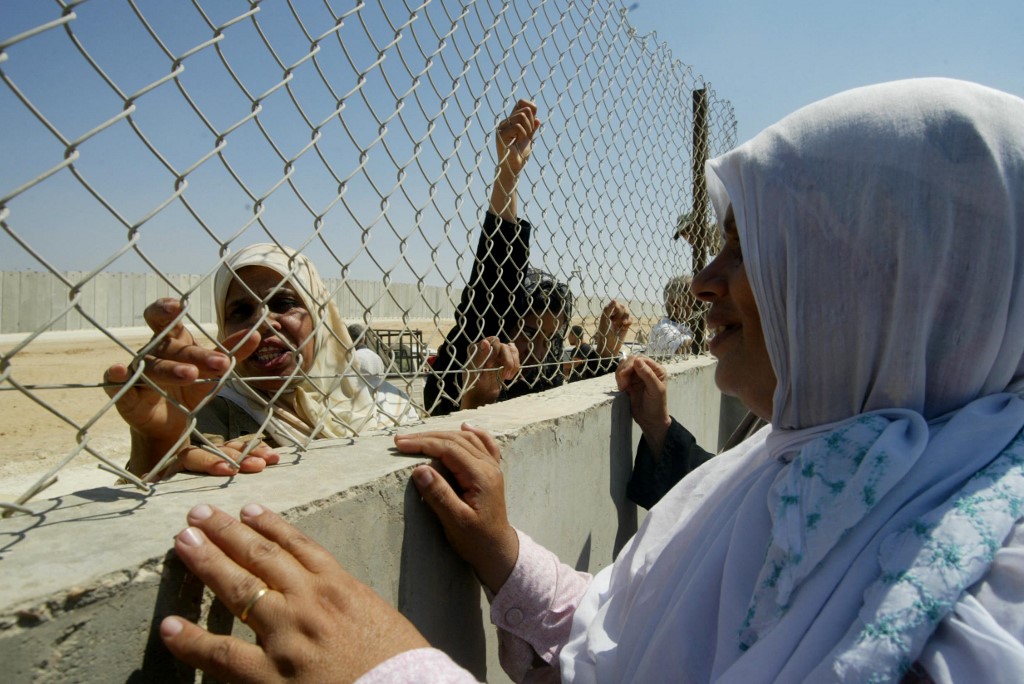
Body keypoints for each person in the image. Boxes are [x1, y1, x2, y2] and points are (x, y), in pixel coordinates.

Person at [159, 79, 1024, 682]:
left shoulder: (981, 602)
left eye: (749, 245)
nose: (702, 282)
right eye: (241, 310)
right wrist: (508, 560)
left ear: (881, 274)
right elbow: (638, 638)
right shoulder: (796, 469)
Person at [104, 243, 415, 480]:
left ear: (320, 317)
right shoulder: (211, 412)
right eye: (241, 312)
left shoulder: (386, 403)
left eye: (284, 303)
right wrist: (158, 441)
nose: (263, 323)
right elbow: (163, 474)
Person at [424, 99, 633, 416]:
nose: (537, 350)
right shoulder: (460, 367)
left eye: (549, 338)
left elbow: (586, 376)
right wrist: (507, 175)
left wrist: (606, 351)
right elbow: (494, 282)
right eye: (531, 332)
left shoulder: (542, 379)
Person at [644, 275, 697, 357]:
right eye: (695, 302)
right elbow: (683, 347)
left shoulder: (687, 326)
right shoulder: (663, 329)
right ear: (675, 305)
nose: (703, 305)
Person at [347, 323, 388, 389]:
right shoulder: (377, 357)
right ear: (365, 339)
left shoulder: (352, 358)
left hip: (359, 396)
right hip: (377, 393)